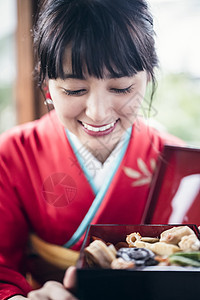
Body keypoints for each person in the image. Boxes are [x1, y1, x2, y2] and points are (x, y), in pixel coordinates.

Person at [0, 0, 184, 299]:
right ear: (47, 85)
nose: (98, 113)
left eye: (122, 87)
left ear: (148, 77)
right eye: (74, 90)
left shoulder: (181, 165)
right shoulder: (12, 154)